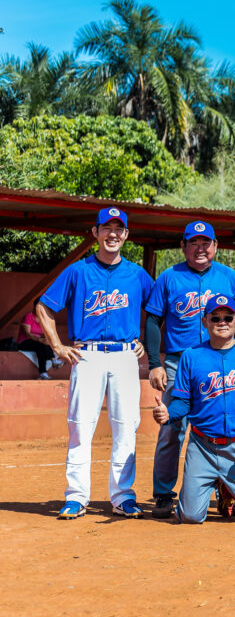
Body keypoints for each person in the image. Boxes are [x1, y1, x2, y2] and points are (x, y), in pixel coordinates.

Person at [37, 207, 153, 520]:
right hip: (87, 354)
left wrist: (146, 342)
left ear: (126, 235)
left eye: (118, 229)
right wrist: (57, 346)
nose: (112, 234)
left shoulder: (137, 275)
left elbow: (158, 310)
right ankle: (76, 497)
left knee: (126, 426)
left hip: (125, 354)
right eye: (106, 228)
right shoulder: (77, 271)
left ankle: (122, 496)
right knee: (80, 426)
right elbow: (44, 308)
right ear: (95, 232)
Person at [144, 220, 235, 519]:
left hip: (222, 362)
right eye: (194, 242)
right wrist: (155, 363)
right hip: (179, 363)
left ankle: (227, 490)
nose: (200, 248)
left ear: (215, 246)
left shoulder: (229, 277)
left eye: (206, 243)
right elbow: (153, 320)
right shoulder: (169, 277)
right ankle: (163, 493)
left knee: (225, 424)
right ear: (183, 246)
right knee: (171, 429)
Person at [152, 295, 235, 524]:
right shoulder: (191, 356)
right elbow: (183, 402)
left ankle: (227, 487)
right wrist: (168, 414)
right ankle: (218, 483)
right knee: (190, 516)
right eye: (215, 318)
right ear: (205, 321)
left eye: (228, 317)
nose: (222, 322)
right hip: (203, 447)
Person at [17, 303, 60, 378]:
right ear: (36, 307)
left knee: (42, 347)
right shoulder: (28, 316)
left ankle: (43, 373)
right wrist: (40, 340)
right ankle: (53, 361)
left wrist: (47, 340)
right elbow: (28, 334)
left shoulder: (43, 319)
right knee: (41, 345)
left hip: (37, 343)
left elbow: (46, 334)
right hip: (24, 342)